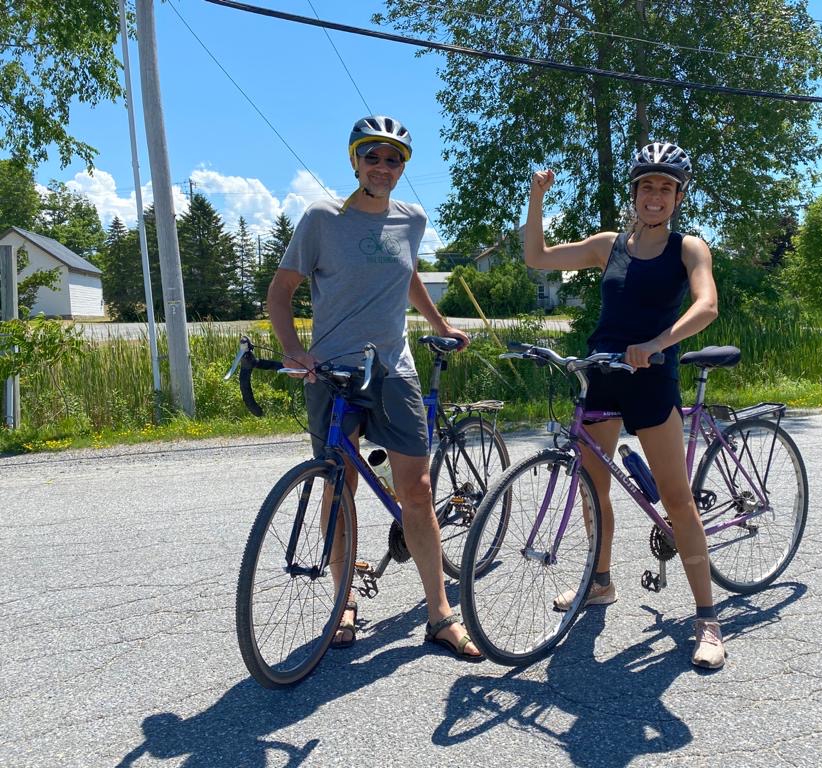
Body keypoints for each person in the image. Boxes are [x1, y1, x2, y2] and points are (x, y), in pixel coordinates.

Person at [267, 115, 481, 661]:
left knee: (418, 489)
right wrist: (296, 352)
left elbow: (406, 274)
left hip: (392, 369)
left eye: (393, 160)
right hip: (332, 371)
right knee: (339, 485)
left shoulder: (412, 219)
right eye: (373, 157)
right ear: (355, 161)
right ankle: (343, 603)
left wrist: (438, 325)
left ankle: (440, 615)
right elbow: (281, 293)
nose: (383, 167)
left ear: (403, 167)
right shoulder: (321, 219)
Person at [523, 142, 725, 668]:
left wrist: (657, 343)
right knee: (593, 488)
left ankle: (707, 618)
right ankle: (600, 581)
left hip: (652, 378)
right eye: (647, 186)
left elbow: (707, 305)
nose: (655, 196)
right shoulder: (609, 244)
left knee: (677, 502)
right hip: (603, 374)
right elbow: (537, 258)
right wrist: (536, 199)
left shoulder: (690, 248)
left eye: (666, 188)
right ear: (633, 193)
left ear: (678, 196)